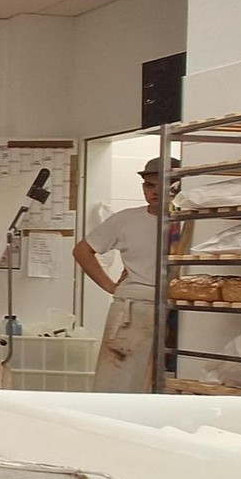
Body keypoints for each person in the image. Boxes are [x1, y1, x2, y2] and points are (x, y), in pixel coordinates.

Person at [73, 156, 180, 392]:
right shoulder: (127, 219)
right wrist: (110, 286)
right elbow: (82, 250)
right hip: (135, 306)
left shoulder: (191, 220)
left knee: (170, 379)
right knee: (120, 380)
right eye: (149, 185)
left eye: (164, 184)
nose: (155, 191)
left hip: (181, 307)